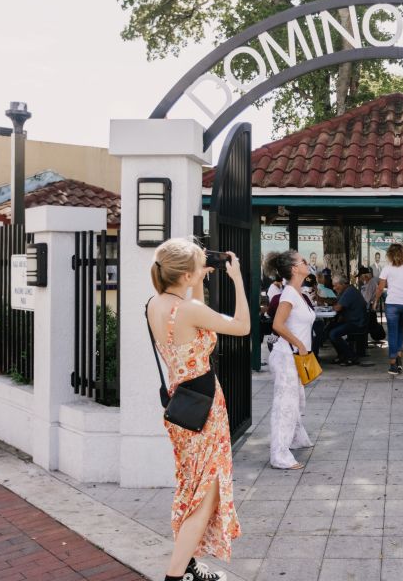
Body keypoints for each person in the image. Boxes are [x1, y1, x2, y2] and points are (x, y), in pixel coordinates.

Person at [147, 238, 249, 581]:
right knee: (205, 494)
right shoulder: (187, 309)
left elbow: (193, 323)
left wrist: (196, 284)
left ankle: (188, 566)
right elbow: (242, 326)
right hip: (205, 410)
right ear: (187, 274)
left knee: (192, 486)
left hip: (183, 404)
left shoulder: (157, 304)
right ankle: (175, 576)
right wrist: (236, 280)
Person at [264, 250, 316, 470]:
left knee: (297, 401)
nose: (307, 264)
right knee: (285, 405)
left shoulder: (297, 292)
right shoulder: (288, 295)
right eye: (303, 261)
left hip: (295, 357)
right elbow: (277, 324)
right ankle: (280, 454)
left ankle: (295, 438)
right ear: (295, 269)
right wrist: (300, 344)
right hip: (287, 357)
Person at [373, 243, 403, 375]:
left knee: (392, 333)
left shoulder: (387, 268)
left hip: (392, 304)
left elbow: (380, 288)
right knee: (400, 331)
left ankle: (393, 364)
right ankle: (399, 358)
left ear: (389, 255)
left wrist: (375, 302)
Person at [329, 274, 367, 365]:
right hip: (352, 321)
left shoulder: (349, 291)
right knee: (328, 330)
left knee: (333, 334)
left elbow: (338, 307)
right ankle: (342, 355)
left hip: (356, 323)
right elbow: (336, 303)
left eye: (335, 285)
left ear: (342, 284)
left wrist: (332, 307)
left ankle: (351, 356)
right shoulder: (347, 290)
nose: (334, 288)